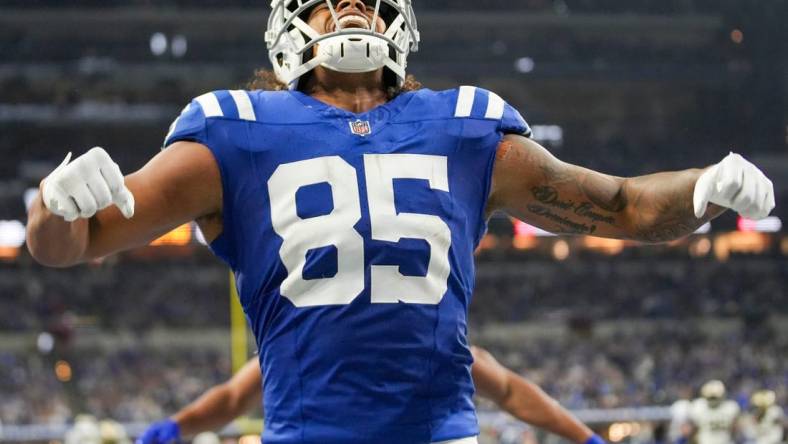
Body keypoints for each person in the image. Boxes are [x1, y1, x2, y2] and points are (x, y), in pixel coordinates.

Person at [26, 1, 775, 443]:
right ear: (289, 25)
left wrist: (703, 187)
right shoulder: (233, 129)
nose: (350, 5)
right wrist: (50, 203)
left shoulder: (465, 127)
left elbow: (626, 208)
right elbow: (72, 247)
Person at [137, 346, 601, 444]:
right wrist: (178, 426)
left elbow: (512, 392)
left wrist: (585, 439)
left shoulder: (432, 340)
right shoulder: (302, 342)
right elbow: (232, 398)